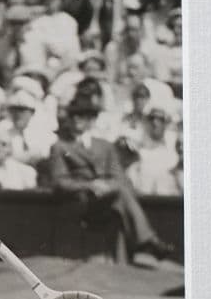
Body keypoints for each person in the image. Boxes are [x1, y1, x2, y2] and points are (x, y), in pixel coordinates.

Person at [48, 95, 174, 262]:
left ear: (91, 120)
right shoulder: (60, 147)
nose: (77, 119)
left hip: (109, 199)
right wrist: (90, 186)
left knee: (120, 198)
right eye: (74, 115)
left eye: (83, 115)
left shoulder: (105, 145)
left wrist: (106, 186)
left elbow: (119, 178)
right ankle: (148, 241)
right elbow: (60, 182)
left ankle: (130, 256)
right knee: (120, 198)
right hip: (83, 203)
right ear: (69, 119)